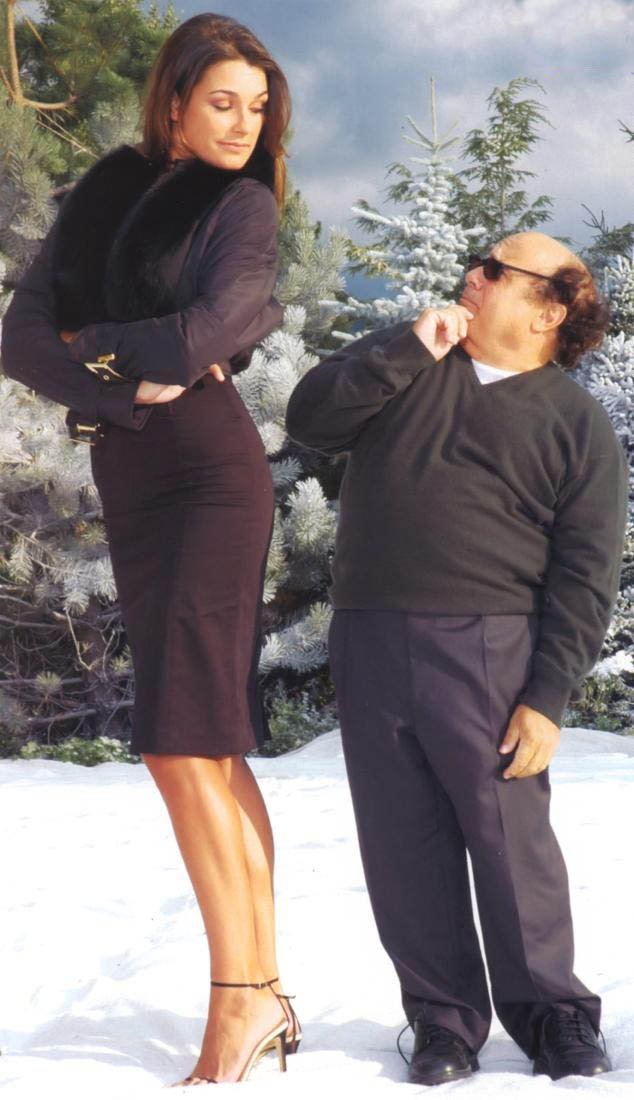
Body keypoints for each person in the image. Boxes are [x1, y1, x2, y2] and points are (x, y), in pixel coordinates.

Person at [2, 12, 301, 1087]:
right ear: (173, 101)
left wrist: (94, 346)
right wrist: (123, 381)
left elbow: (208, 333)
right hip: (135, 471)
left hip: (210, 477)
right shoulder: (105, 192)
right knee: (205, 743)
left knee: (180, 742)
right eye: (223, 101)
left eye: (257, 107)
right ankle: (265, 988)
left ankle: (241, 1001)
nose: (243, 123)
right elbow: (18, 337)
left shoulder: (240, 204)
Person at [286, 233, 627, 1085]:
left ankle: (554, 1017)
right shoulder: (409, 363)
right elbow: (310, 419)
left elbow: (586, 575)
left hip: (491, 648)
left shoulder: (575, 422)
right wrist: (404, 348)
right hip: (370, 637)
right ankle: (442, 1021)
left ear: (549, 311)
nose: (473, 276)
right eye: (477, 261)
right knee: (401, 843)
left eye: (497, 270)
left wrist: (547, 696)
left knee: (511, 842)